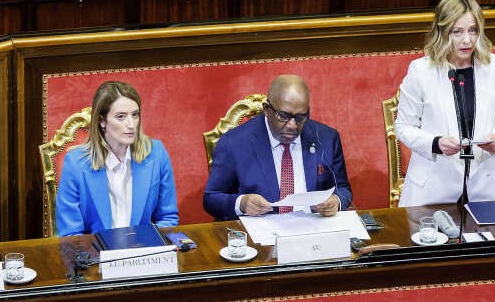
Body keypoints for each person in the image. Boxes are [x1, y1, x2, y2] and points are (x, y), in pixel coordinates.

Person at [394, 0, 495, 206]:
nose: (467, 40)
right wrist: (435, 143)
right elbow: (404, 127)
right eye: (457, 32)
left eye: (472, 30)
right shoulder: (421, 71)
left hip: (486, 185)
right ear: (442, 32)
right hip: (433, 187)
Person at [203, 74, 352, 222]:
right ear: (267, 109)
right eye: (284, 116)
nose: (292, 125)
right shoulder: (234, 143)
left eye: (300, 117)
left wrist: (336, 201)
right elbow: (211, 198)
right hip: (260, 234)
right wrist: (241, 203)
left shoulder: (326, 138)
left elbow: (343, 189)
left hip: (314, 231)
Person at [55, 81, 178, 236]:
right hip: (97, 255)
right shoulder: (76, 164)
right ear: (102, 121)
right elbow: (71, 234)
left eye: (135, 115)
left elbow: (167, 217)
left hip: (144, 252)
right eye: (121, 117)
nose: (131, 124)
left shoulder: (156, 154)